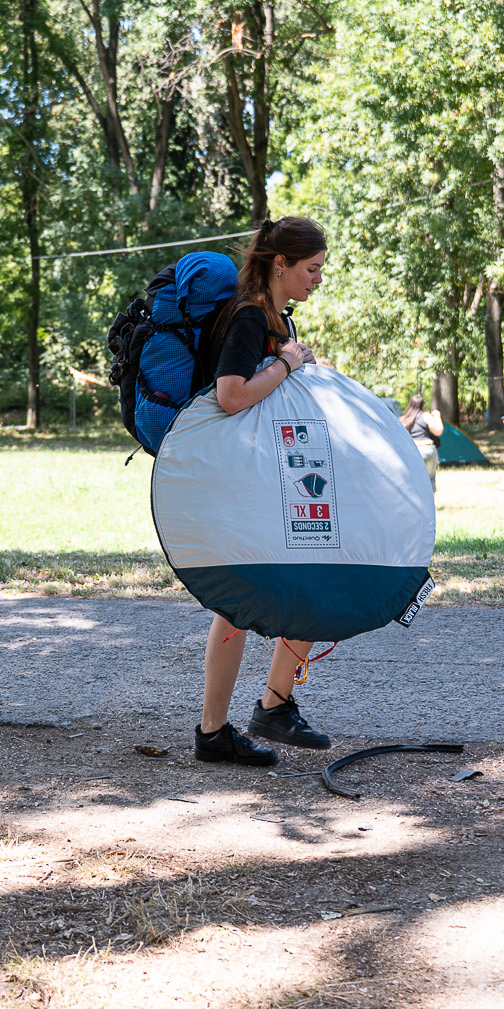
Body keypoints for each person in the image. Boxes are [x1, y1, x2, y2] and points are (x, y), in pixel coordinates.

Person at [191, 216, 331, 767]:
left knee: (298, 582)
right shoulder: (250, 316)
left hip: (267, 474)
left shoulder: (275, 318)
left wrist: (298, 364)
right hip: (240, 479)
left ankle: (267, 707)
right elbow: (230, 395)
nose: (318, 279)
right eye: (312, 269)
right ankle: (223, 727)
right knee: (239, 603)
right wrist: (285, 363)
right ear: (281, 264)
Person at [399, 393, 444, 489]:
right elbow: (438, 431)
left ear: (410, 404)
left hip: (412, 451)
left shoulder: (404, 419)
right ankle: (430, 503)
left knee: (412, 480)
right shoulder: (426, 416)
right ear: (422, 405)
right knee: (430, 480)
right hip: (427, 450)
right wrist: (437, 416)